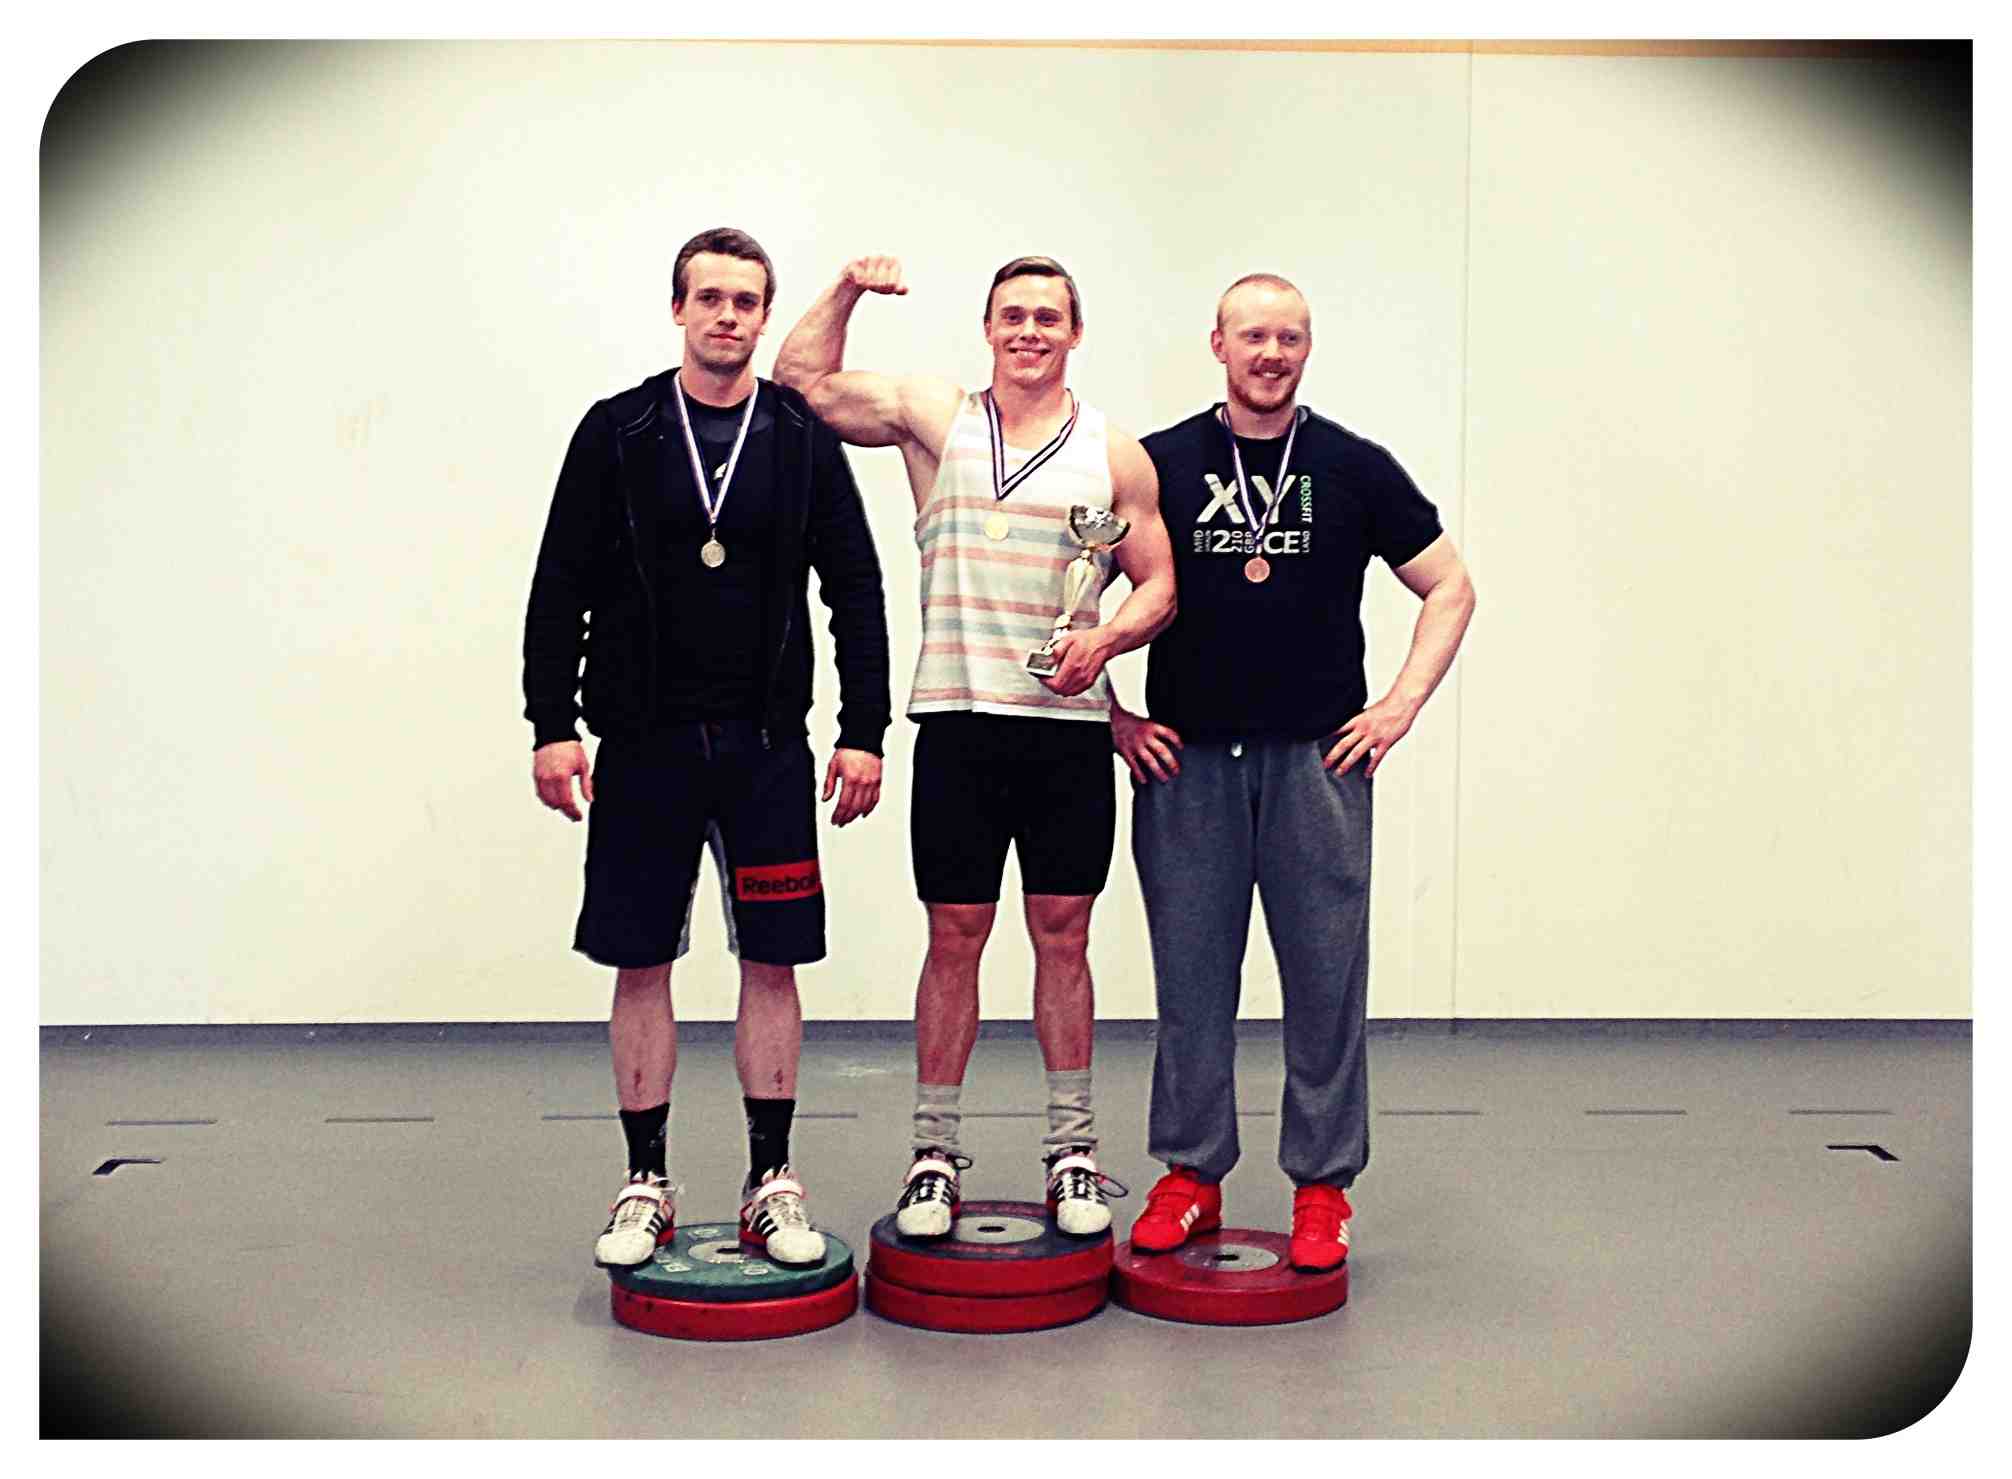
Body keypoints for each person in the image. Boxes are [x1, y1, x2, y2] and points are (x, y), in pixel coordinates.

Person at [774, 254, 1176, 1238]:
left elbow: (1159, 585)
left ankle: (1072, 1152)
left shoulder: (1113, 453)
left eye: (1047, 317)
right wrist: (847, 289)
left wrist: (1104, 646)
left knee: (1063, 938)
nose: (1029, 331)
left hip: (1065, 737)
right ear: (988, 328)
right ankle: (931, 1155)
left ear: (1074, 332)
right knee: (953, 939)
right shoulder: (935, 418)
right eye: (1013, 316)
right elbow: (800, 384)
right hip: (958, 723)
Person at [522, 227, 891, 1270]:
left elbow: (855, 587)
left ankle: (771, 1179)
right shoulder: (620, 430)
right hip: (643, 746)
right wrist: (551, 724)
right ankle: (644, 1181)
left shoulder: (799, 434)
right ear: (678, 309)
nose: (728, 316)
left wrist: (862, 731)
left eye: (746, 301)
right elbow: (559, 585)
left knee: (772, 959)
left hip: (767, 750)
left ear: (764, 316)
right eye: (711, 298)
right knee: (641, 960)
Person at [1114, 273, 1476, 1272]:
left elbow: (1449, 585)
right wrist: (1111, 715)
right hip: (1187, 763)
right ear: (1217, 345)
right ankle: (1191, 1173)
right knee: (1191, 980)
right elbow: (1071, 592)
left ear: (1306, 349)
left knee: (1324, 981)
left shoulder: (1352, 466)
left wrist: (1397, 707)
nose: (1269, 354)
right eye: (1252, 336)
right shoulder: (1159, 462)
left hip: (1316, 762)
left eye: (1288, 338)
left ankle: (1321, 1186)